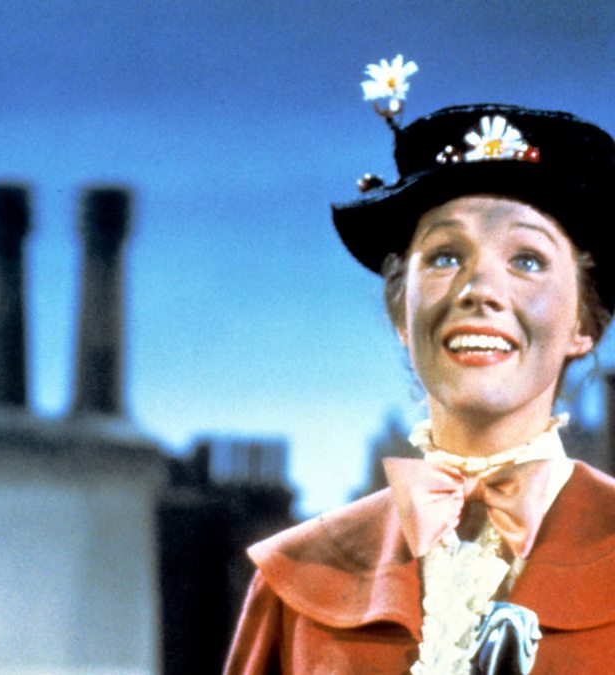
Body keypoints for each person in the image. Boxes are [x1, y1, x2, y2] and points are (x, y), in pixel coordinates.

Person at [224, 60, 615, 674]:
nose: (479, 290)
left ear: (584, 323)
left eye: (528, 260)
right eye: (445, 256)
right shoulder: (295, 582)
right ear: (401, 315)